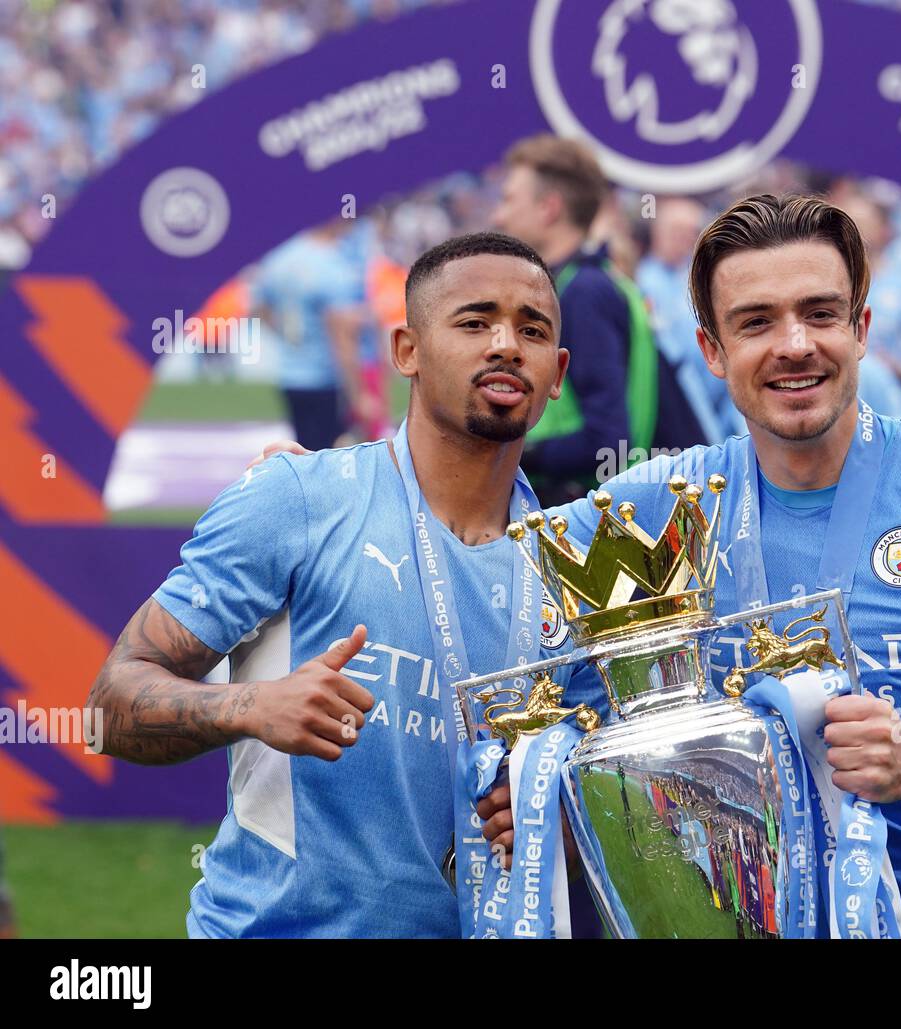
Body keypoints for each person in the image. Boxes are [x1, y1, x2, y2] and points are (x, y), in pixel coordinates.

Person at [483, 193, 901, 937]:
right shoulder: (658, 508)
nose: (795, 344)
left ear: (861, 330)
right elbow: (476, 563)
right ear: (712, 350)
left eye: (821, 313)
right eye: (756, 321)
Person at [85, 232, 584, 937]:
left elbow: (599, 785)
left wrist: (567, 812)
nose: (506, 344)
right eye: (474, 322)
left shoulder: (575, 563)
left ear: (556, 370)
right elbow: (107, 709)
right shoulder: (297, 498)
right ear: (406, 350)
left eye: (531, 330)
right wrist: (252, 705)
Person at [492, 135, 701, 502]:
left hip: (599, 515)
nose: (499, 215)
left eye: (509, 199)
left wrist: (510, 450)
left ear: (549, 208)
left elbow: (608, 438)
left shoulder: (583, 292)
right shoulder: (588, 280)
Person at [251, 221, 373, 452]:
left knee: (303, 448)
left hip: (290, 373)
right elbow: (343, 339)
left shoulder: (280, 257)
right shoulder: (333, 265)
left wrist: (291, 337)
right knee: (329, 455)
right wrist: (359, 395)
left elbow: (260, 308)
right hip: (324, 376)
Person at [638, 196, 745, 442]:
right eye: (677, 231)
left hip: (723, 391)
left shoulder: (700, 276)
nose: (684, 239)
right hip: (681, 403)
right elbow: (674, 361)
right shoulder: (645, 281)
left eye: (691, 232)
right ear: (658, 232)